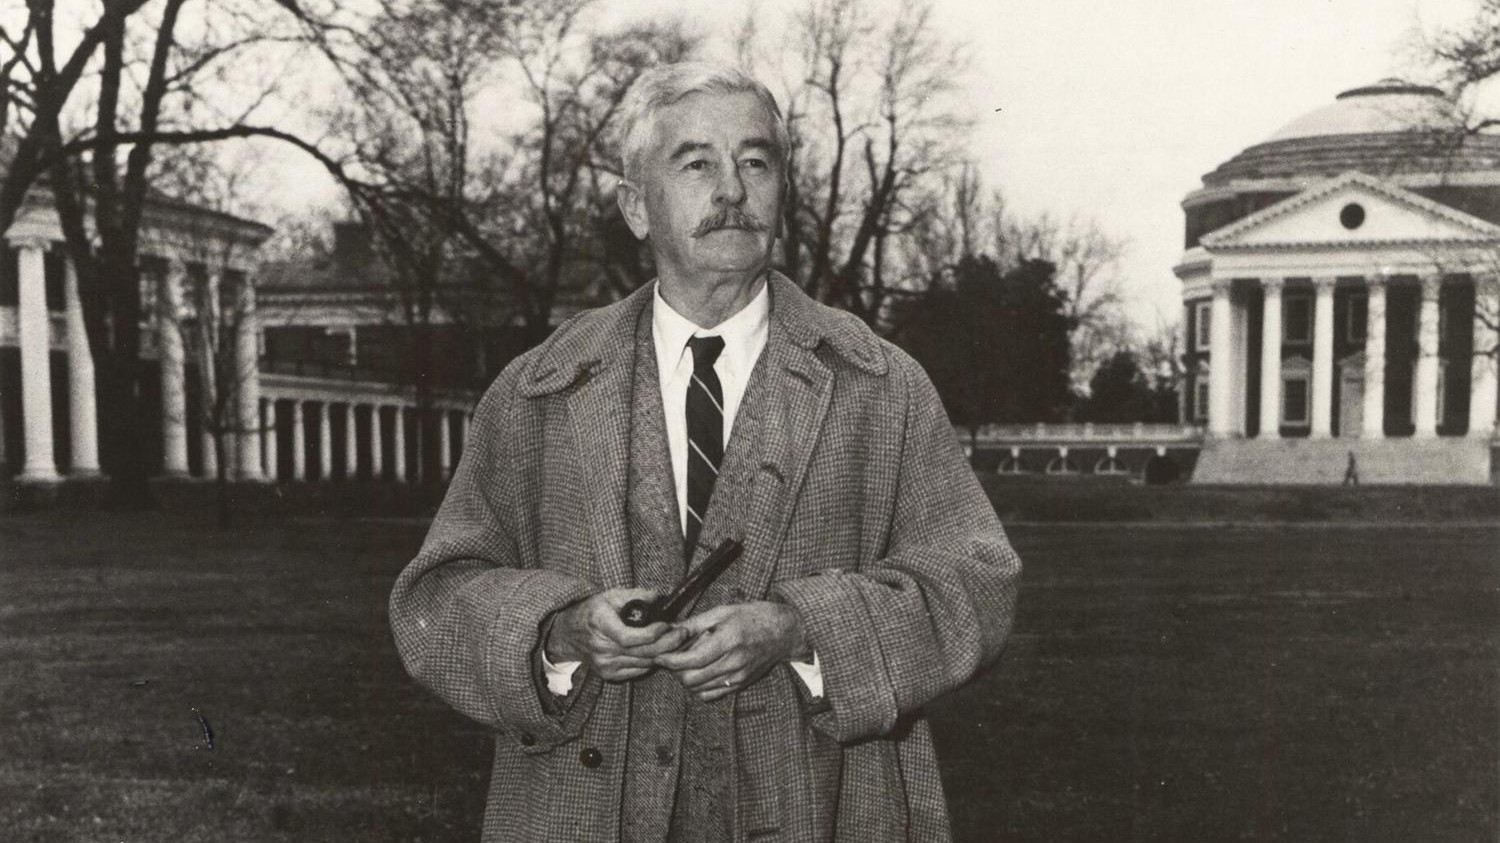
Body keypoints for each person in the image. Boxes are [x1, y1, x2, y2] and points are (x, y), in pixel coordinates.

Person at [388, 60, 1022, 843]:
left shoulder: (879, 385)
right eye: (696, 163)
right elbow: (436, 601)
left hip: (828, 809)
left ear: (782, 192)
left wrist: (801, 628)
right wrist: (561, 630)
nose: (731, 189)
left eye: (756, 162)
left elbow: (978, 585)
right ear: (634, 206)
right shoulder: (538, 393)